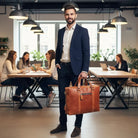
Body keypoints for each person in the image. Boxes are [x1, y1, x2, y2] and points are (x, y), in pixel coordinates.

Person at [50, 5, 90, 137]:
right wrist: (56, 63)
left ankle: (77, 126)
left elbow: (86, 52)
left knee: (79, 98)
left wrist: (85, 70)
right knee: (62, 98)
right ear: (64, 16)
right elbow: (58, 48)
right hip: (63, 68)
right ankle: (63, 124)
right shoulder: (61, 31)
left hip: (78, 70)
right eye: (67, 14)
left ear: (76, 15)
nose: (69, 17)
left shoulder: (83, 31)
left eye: (72, 14)